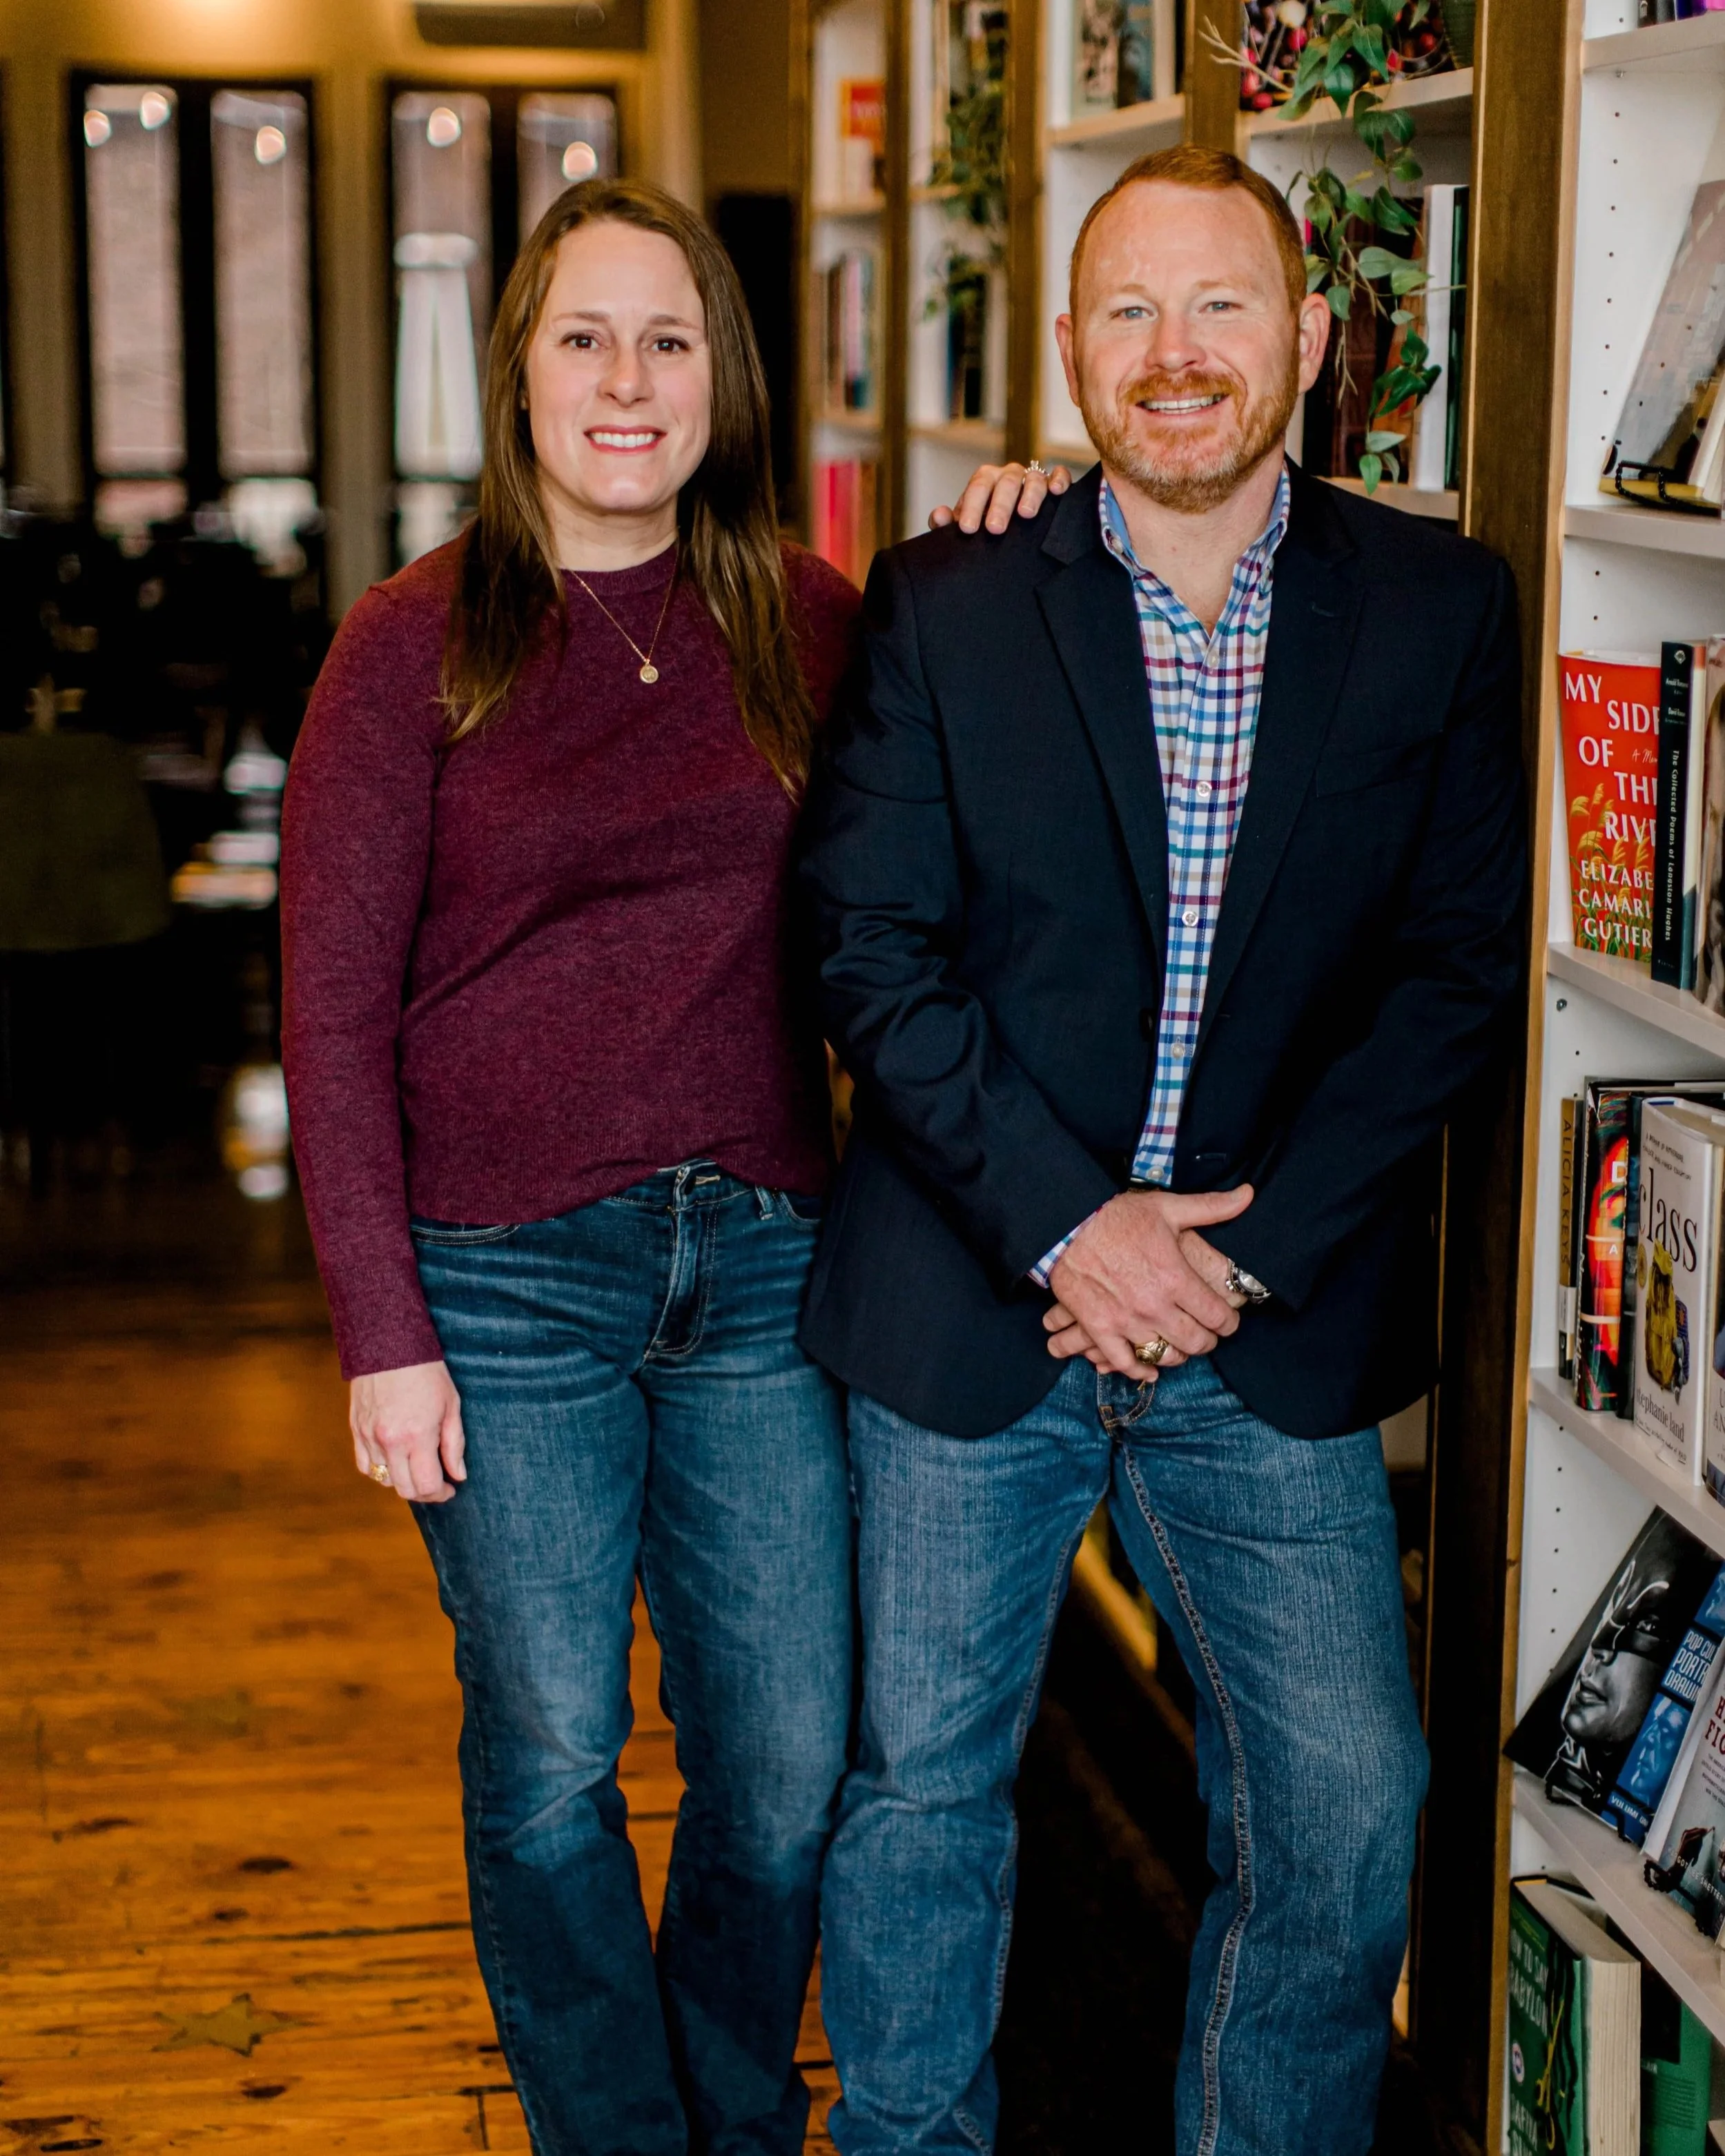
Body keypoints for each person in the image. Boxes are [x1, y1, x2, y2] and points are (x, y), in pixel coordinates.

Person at [280, 177, 1047, 2156]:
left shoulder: (806, 618)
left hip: (767, 1261)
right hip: (502, 1276)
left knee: (784, 1758)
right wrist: (384, 1323)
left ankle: (722, 2110)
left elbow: (976, 799)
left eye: (671, 338)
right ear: (518, 369)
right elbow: (331, 1012)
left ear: (726, 375)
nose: (629, 380)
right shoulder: (410, 646)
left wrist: (1020, 540)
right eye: (585, 338)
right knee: (549, 1756)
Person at [797, 144, 1527, 2155]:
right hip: (976, 1298)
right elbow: (870, 947)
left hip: (1255, 1325)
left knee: (1347, 1809)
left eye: (1222, 306)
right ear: (1066, 353)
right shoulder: (949, 597)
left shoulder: (1444, 609)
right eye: (1129, 311)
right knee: (921, 1788)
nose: (1177, 353)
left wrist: (1230, 1255)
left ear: (1311, 336)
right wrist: (1071, 1227)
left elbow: (1456, 983)